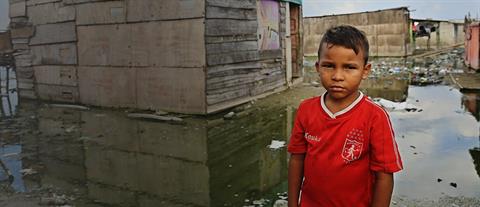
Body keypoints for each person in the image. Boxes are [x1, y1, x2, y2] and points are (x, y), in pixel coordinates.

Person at [287, 25, 403, 207]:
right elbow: (297, 159)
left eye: (349, 67)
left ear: (365, 70)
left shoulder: (375, 117)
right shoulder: (306, 110)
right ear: (318, 67)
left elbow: (384, 176)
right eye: (329, 66)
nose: (337, 76)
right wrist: (293, 204)